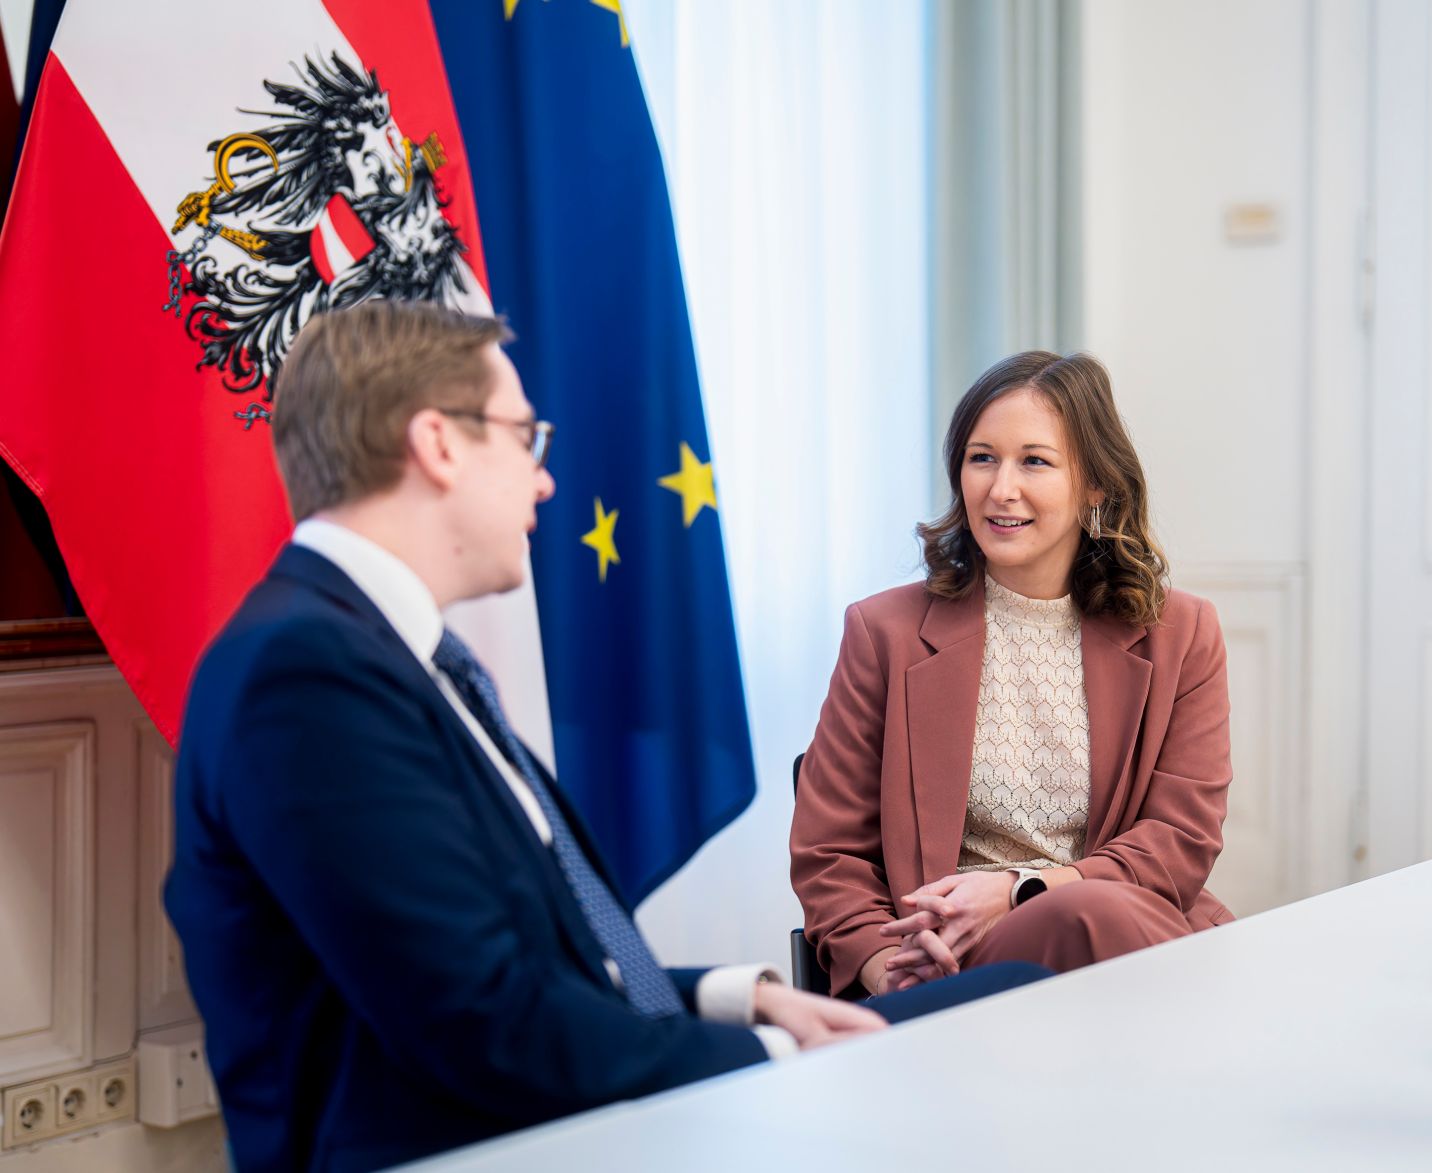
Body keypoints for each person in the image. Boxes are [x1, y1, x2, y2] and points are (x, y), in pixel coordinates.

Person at [164, 301, 1044, 1173]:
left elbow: (527, 964)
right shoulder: (307, 675)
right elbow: (483, 1023)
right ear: (437, 445)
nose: (545, 479)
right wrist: (777, 1061)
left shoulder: (381, 651)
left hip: (552, 1099)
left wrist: (747, 998)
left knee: (1017, 999)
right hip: (485, 1140)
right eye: (524, 438)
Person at [791, 350, 1234, 998]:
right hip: (960, 966)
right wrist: (889, 970)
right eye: (982, 458)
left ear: (1096, 485)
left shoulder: (1183, 635)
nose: (1001, 488)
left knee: (1090, 912)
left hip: (1122, 936)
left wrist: (1023, 892)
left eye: (1034, 460)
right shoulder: (883, 633)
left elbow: (1180, 840)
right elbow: (828, 850)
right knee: (1106, 926)